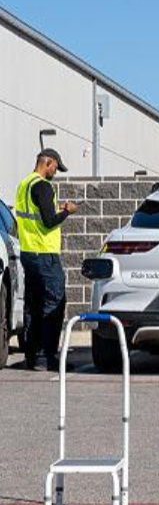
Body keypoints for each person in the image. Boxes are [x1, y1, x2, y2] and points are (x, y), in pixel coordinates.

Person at [13, 149, 77, 371]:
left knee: (33, 303)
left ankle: (32, 356)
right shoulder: (43, 186)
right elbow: (49, 222)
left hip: (29, 253)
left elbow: (36, 216)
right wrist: (67, 211)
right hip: (45, 255)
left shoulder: (24, 185)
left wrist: (55, 209)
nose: (55, 173)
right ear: (47, 163)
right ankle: (47, 356)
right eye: (55, 168)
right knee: (54, 302)